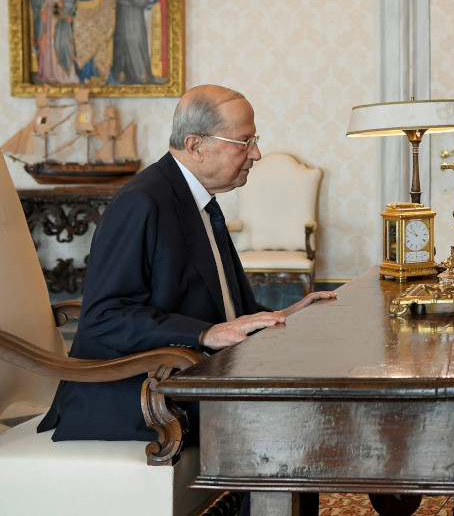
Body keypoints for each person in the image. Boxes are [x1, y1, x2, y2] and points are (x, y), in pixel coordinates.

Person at [38, 84, 335, 443]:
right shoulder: (141, 204)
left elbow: (213, 301)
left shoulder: (198, 199)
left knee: (307, 379)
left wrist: (285, 314)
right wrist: (202, 334)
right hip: (133, 392)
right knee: (287, 408)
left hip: (184, 372)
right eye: (245, 142)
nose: (257, 153)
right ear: (196, 146)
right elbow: (105, 318)